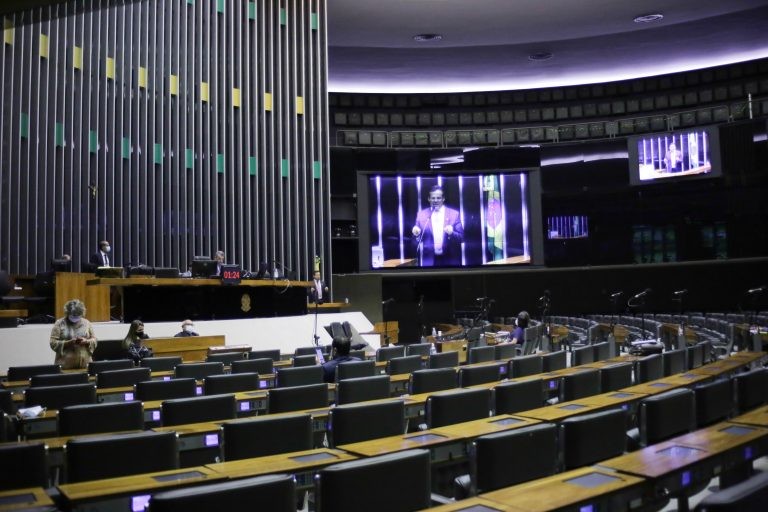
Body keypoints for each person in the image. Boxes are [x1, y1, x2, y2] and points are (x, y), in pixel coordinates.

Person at [411, 185, 464, 266]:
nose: (435, 200)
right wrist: (416, 235)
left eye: (438, 198)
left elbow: (462, 238)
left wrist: (452, 233)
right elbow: (414, 242)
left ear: (443, 199)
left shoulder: (454, 214)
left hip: (450, 260)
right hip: (429, 261)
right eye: (433, 198)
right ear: (429, 199)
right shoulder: (421, 215)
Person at [49, 299, 98, 370]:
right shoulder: (59, 323)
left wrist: (86, 341)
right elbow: (53, 342)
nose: (75, 318)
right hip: (65, 365)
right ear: (67, 313)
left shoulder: (87, 323)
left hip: (85, 365)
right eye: (73, 316)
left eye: (78, 316)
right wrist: (69, 343)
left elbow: (95, 340)